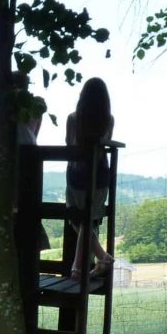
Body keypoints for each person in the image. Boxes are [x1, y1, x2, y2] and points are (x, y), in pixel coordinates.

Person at [0, 103, 51, 272]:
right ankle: (21, 261)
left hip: (0, 153)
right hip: (28, 155)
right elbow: (34, 134)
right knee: (23, 204)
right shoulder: (35, 106)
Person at [65, 78, 115, 281]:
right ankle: (100, 258)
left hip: (76, 171)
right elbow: (107, 142)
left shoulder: (73, 118)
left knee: (77, 216)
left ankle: (81, 266)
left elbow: (69, 144)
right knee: (89, 217)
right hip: (101, 172)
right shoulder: (108, 119)